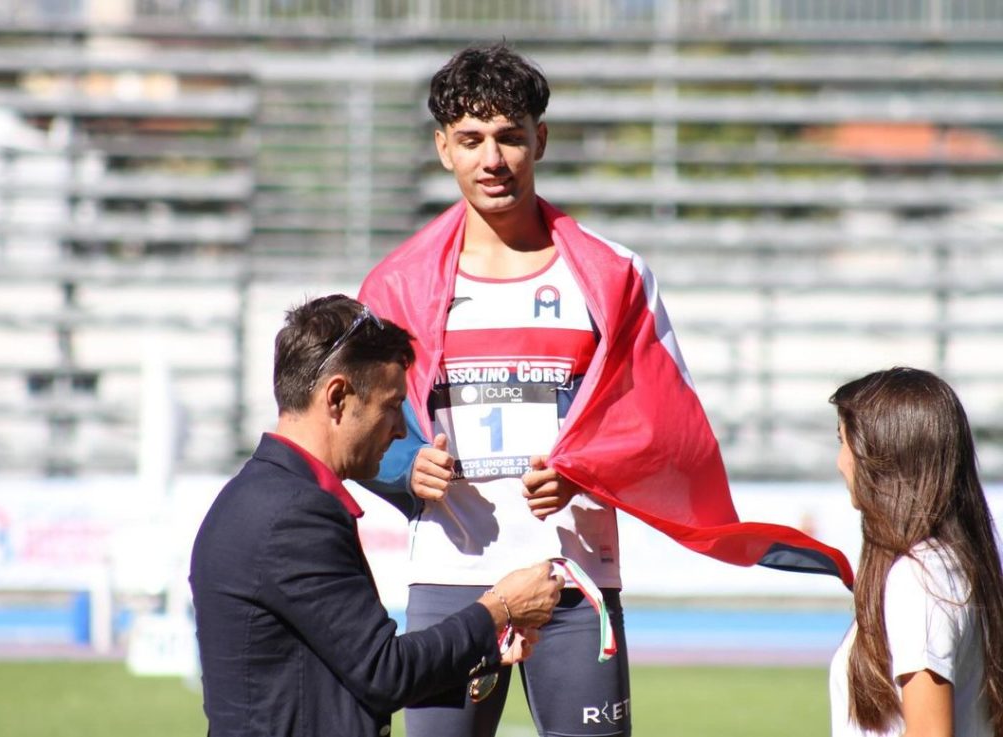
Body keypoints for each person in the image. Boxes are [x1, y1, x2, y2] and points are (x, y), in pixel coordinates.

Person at [359, 43, 852, 737]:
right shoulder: (396, 284)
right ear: (444, 148)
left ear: (541, 140)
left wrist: (583, 473)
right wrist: (406, 466)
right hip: (450, 577)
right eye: (470, 140)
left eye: (509, 137)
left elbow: (665, 427)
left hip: (576, 579)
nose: (492, 159)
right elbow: (358, 425)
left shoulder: (613, 274)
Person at [189, 295, 565, 737]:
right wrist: (498, 609)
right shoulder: (294, 515)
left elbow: (350, 671)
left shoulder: (261, 496)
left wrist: (482, 644)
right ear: (337, 398)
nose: (401, 430)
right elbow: (386, 673)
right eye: (391, 406)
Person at [828, 367, 1003, 737]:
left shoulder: (919, 576)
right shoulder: (951, 565)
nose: (840, 461)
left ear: (881, 456)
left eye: (843, 442)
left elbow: (930, 732)